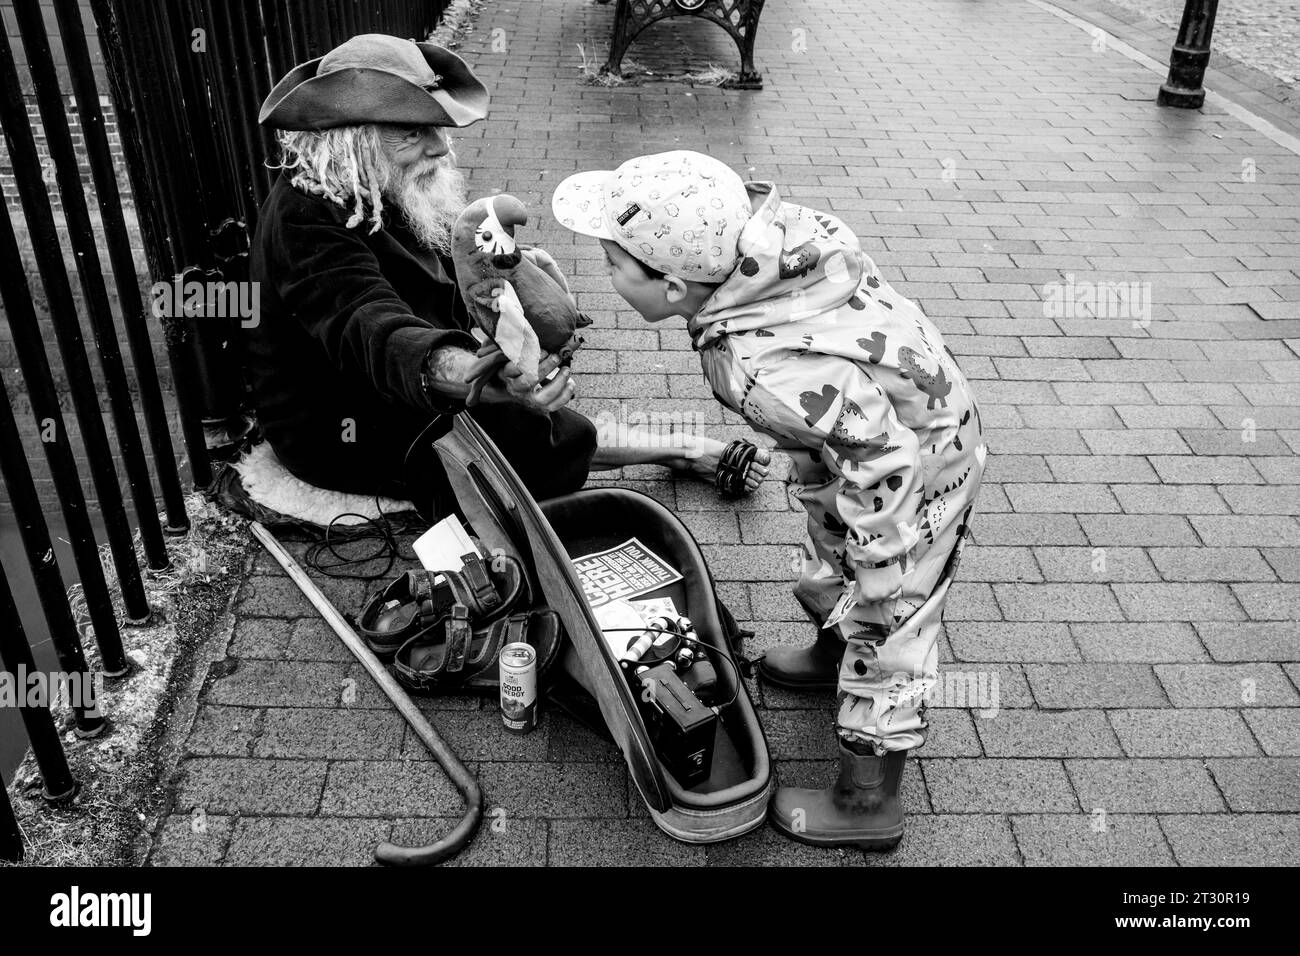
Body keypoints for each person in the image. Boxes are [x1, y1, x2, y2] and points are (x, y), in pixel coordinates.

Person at [552, 150, 987, 849]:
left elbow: (886, 466)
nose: (606, 279)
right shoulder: (754, 261)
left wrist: (882, 569)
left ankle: (868, 802)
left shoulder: (762, 365)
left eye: (615, 266)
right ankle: (833, 647)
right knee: (828, 552)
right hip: (857, 443)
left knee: (891, 616)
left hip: (916, 469)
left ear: (670, 286)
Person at [249, 35, 768, 520]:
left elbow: (435, 281)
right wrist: (473, 376)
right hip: (338, 417)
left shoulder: (379, 182)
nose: (440, 148)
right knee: (528, 443)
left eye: (436, 127)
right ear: (350, 143)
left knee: (528, 419)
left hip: (405, 378)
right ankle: (680, 449)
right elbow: (368, 326)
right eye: (412, 132)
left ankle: (666, 447)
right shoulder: (305, 220)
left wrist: (505, 281)